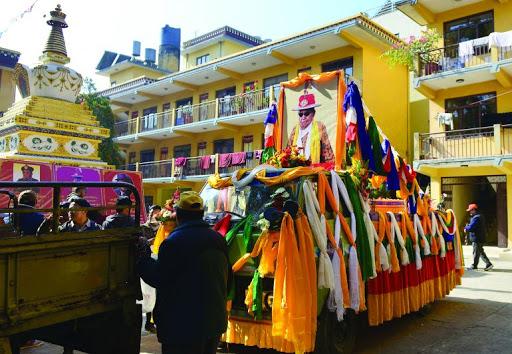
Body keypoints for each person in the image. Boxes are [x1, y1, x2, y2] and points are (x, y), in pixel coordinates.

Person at [137, 191, 231, 354]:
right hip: (213, 323)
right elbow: (228, 280)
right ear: (202, 214)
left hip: (182, 326)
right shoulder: (218, 239)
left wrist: (142, 257)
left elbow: (159, 277)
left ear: (178, 215)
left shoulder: (174, 242)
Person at [287, 91, 334, 163]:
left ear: (313, 114)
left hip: (314, 170)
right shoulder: (295, 129)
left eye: (306, 113)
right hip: (296, 169)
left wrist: (330, 170)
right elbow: (288, 150)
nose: (303, 117)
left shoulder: (320, 126)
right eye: (300, 114)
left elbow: (327, 152)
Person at [464, 203, 493, 271]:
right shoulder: (479, 216)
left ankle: (475, 265)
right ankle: (488, 264)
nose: (469, 212)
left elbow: (471, 227)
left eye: (470, 210)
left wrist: (466, 228)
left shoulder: (476, 217)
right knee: (480, 252)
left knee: (476, 252)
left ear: (474, 210)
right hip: (479, 238)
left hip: (477, 238)